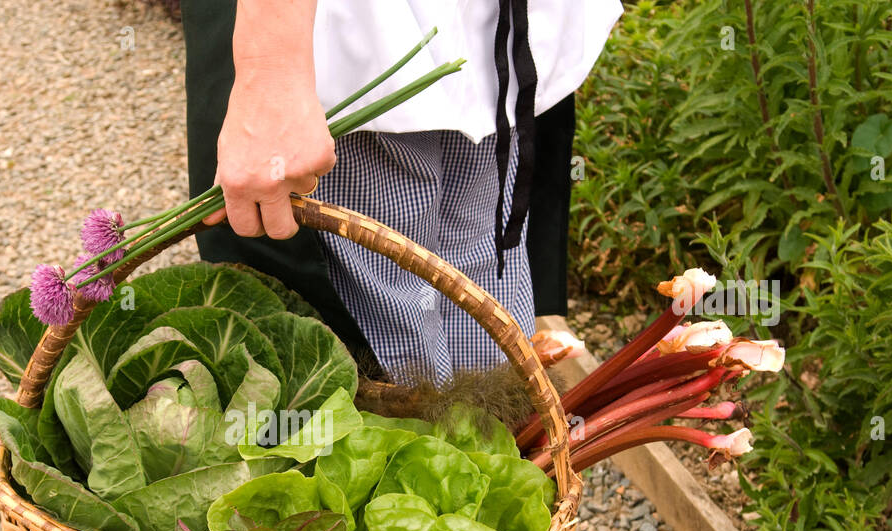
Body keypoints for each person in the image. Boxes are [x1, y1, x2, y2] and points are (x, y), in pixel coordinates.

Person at [182, 0, 621, 384]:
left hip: (449, 47)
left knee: (468, 312)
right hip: (390, 51)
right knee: (419, 333)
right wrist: (272, 72)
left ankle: (492, 465)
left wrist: (271, 71)